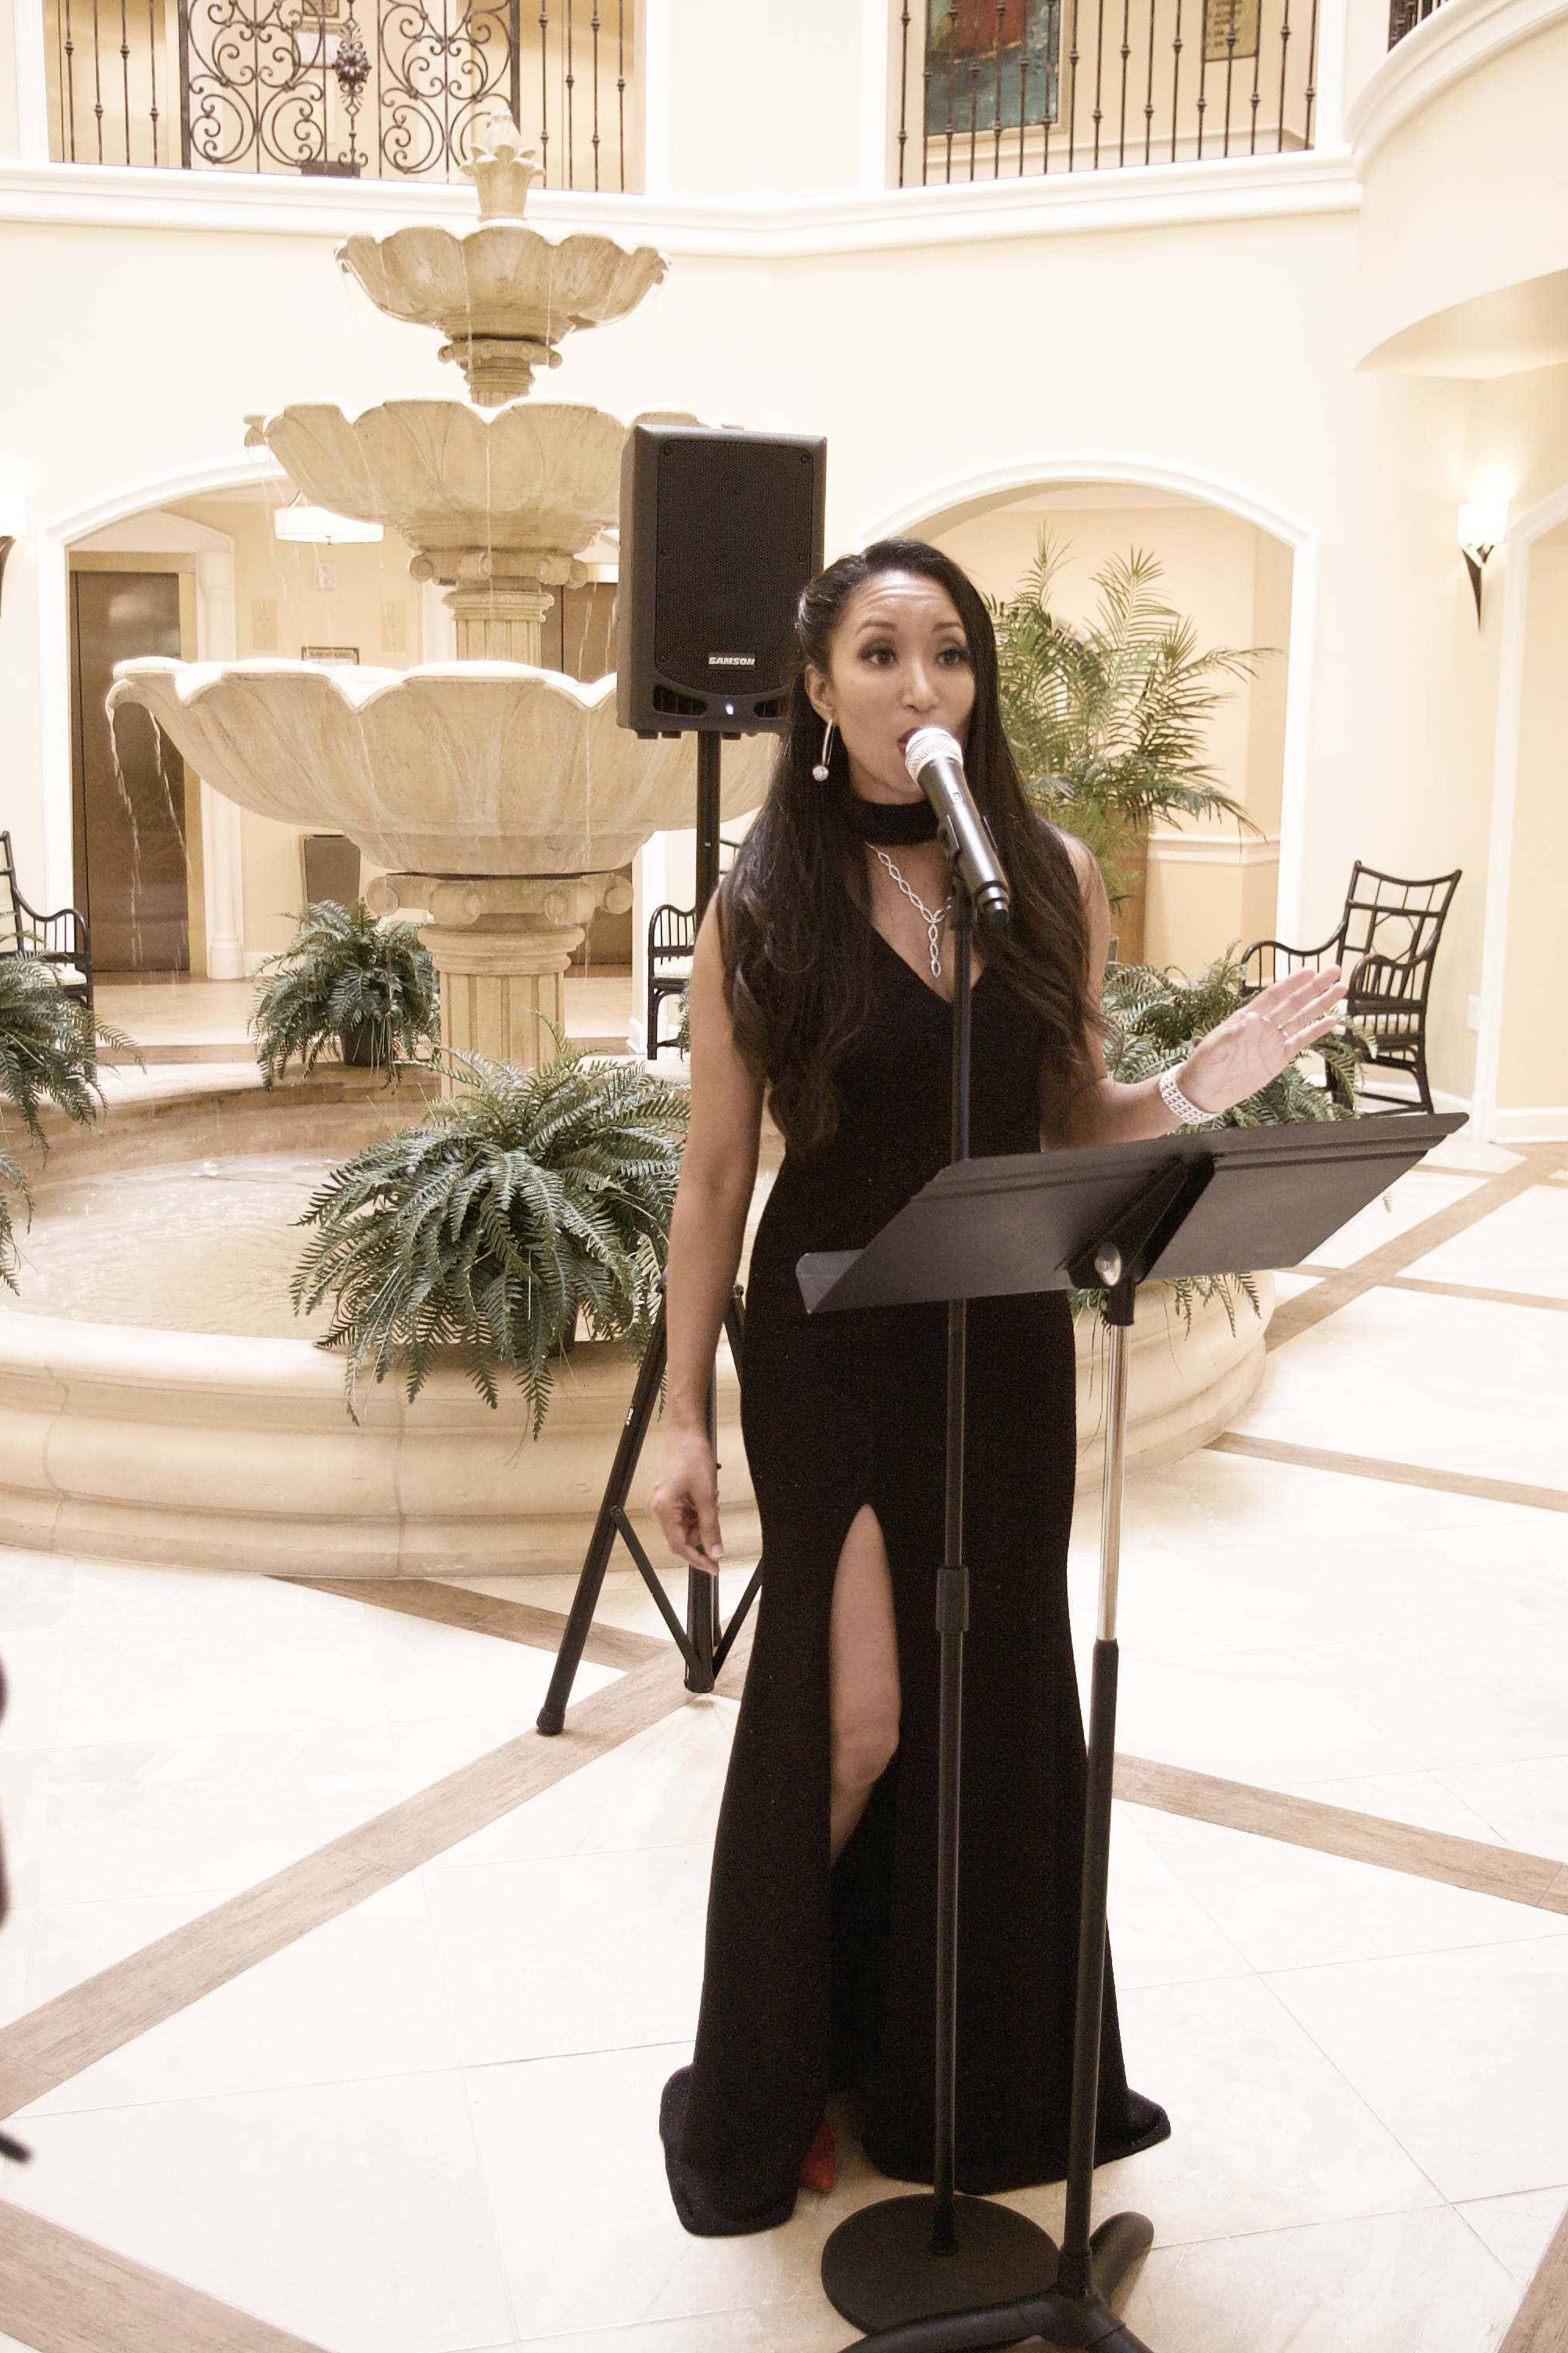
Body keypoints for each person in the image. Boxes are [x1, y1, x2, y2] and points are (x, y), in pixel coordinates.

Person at [650, 538, 1344, 2238]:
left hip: (1002, 1337)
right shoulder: (763, 905)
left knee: (996, 1710)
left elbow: (1071, 1117)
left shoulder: (1037, 871)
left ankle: (951, 2074)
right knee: (857, 1720)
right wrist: (680, 1406)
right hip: (832, 1335)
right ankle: (778, 2063)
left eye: (945, 654)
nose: (918, 687)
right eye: (877, 655)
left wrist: (1205, 1075)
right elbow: (715, 1171)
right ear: (815, 694)